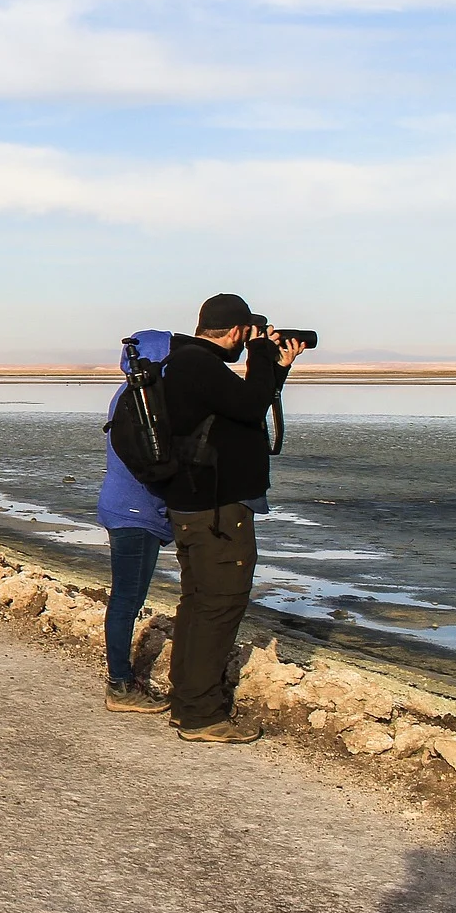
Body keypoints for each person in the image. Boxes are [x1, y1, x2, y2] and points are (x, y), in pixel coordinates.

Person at [159, 294, 305, 744]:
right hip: (217, 512)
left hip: (195, 505)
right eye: (250, 336)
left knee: (199, 602)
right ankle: (201, 715)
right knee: (219, 605)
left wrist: (275, 368)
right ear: (239, 331)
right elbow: (246, 408)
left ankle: (187, 702)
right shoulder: (199, 366)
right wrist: (264, 356)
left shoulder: (183, 364)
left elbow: (245, 405)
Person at [98, 329, 176, 715]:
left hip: (125, 509)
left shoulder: (129, 393)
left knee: (127, 598)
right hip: (134, 513)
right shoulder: (143, 399)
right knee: (127, 600)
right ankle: (120, 684)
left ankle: (122, 678)